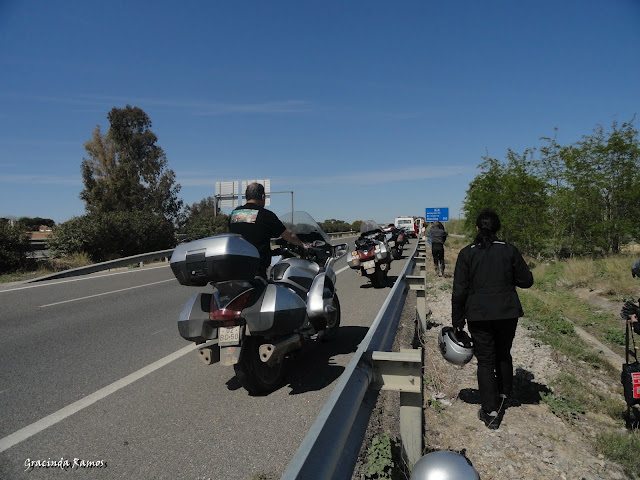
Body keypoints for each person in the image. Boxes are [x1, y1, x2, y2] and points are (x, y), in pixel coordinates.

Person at [451, 209, 534, 429]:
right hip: (507, 312)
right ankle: (505, 393)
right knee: (503, 352)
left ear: (477, 228)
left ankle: (490, 411)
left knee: (486, 360)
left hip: (478, 315)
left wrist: (457, 320)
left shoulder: (467, 253)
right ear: (497, 229)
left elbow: (459, 290)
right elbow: (527, 281)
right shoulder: (509, 250)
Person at [229, 182, 305, 279]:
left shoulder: (235, 214)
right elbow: (288, 235)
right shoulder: (266, 215)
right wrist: (302, 245)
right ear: (262, 196)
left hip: (235, 268)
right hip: (256, 271)